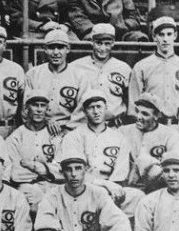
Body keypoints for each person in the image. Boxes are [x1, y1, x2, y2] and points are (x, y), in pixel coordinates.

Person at [128, 16, 179, 167]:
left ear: (175, 36)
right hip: (151, 129)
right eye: (161, 34)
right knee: (150, 177)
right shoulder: (142, 67)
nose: (165, 39)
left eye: (169, 34)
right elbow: (134, 111)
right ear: (154, 36)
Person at [59, 89, 145, 219]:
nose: (95, 111)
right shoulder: (73, 136)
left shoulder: (119, 137)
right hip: (82, 188)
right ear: (84, 112)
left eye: (99, 107)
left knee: (137, 196)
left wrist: (110, 187)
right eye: (91, 108)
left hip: (111, 188)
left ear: (106, 108)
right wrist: (103, 185)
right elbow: (71, 172)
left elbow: (120, 174)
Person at [6, 89, 64, 213]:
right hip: (28, 186)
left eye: (42, 106)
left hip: (54, 185)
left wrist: (33, 166)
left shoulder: (55, 135)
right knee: (36, 205)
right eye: (35, 105)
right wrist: (47, 170)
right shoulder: (16, 137)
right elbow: (15, 174)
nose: (39, 109)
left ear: (47, 109)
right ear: (27, 109)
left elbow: (61, 168)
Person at [25, 29, 89, 135]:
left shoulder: (79, 75)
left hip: (71, 130)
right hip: (38, 128)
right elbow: (26, 108)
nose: (56, 52)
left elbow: (83, 109)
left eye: (60, 47)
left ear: (68, 49)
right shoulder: (33, 74)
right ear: (45, 49)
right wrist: (45, 122)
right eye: (51, 47)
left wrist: (68, 129)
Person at [119, 93, 179, 192]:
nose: (138, 117)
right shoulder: (123, 131)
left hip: (157, 188)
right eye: (137, 111)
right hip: (128, 187)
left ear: (157, 116)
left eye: (145, 114)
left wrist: (148, 164)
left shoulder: (170, 135)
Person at [71, 23, 133, 127]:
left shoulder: (124, 68)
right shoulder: (76, 66)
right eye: (99, 43)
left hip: (113, 126)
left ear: (113, 43)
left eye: (107, 43)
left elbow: (129, 100)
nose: (103, 48)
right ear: (92, 42)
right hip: (82, 125)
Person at [68, 0, 147, 41]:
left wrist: (123, 26)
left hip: (120, 33)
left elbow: (133, 16)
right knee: (90, 42)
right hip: (92, 34)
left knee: (140, 38)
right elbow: (78, 19)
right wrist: (99, 31)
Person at [3, 0, 73, 39]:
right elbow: (16, 19)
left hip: (55, 32)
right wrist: (41, 26)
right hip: (31, 33)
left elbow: (67, 18)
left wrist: (65, 26)